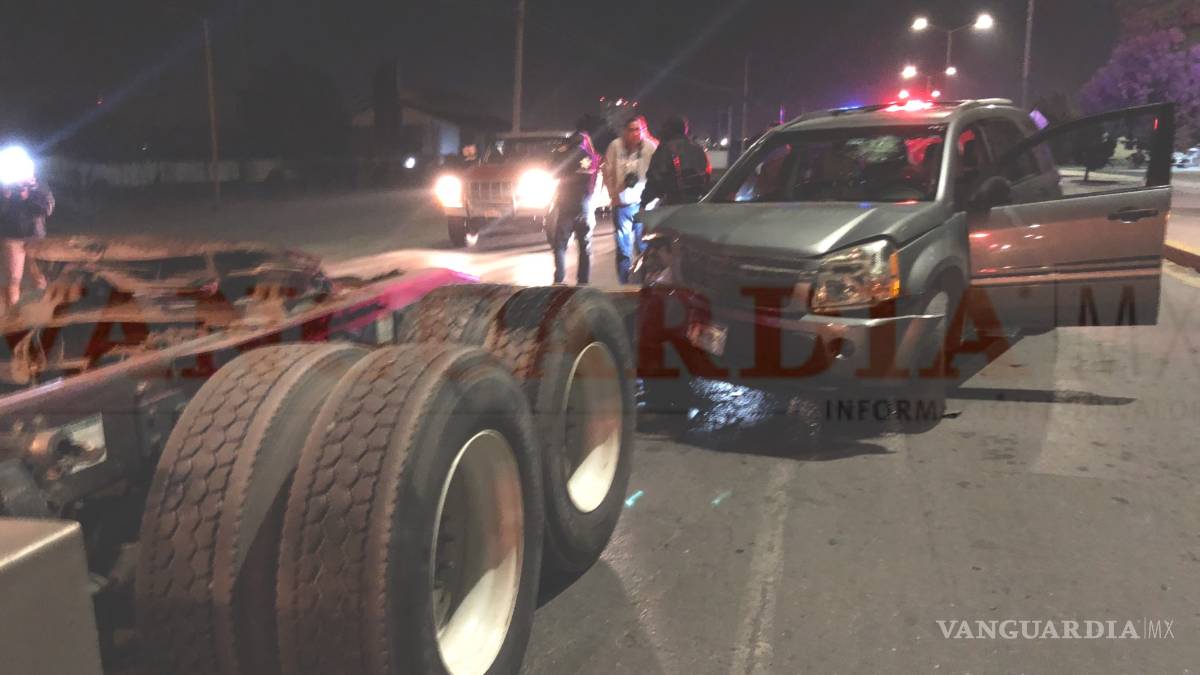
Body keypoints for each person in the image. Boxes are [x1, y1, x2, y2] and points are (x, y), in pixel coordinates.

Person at [604, 115, 656, 283]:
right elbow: (607, 172)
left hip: (643, 206)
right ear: (624, 132)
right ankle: (624, 286)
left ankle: (644, 284)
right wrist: (613, 195)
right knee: (623, 250)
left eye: (638, 130)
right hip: (622, 205)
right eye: (631, 130)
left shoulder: (649, 147)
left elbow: (657, 174)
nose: (635, 133)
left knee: (644, 247)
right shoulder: (615, 146)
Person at [0, 147, 53, 312]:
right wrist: (6, 197)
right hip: (12, 238)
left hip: (35, 237)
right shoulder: (4, 187)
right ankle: (14, 315)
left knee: (38, 277)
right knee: (14, 280)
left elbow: (47, 209)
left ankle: (38, 312)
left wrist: (29, 194)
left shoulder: (37, 185)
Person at [550, 126, 600, 285]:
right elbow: (588, 178)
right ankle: (583, 281)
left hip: (565, 204)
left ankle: (559, 279)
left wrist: (560, 150)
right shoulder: (588, 156)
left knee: (560, 244)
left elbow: (552, 171)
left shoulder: (563, 155)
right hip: (583, 205)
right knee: (584, 246)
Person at [641, 115, 711, 209]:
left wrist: (644, 201)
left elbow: (655, 180)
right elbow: (706, 175)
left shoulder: (665, 149)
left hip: (673, 206)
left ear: (668, 130)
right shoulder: (698, 149)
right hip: (697, 204)